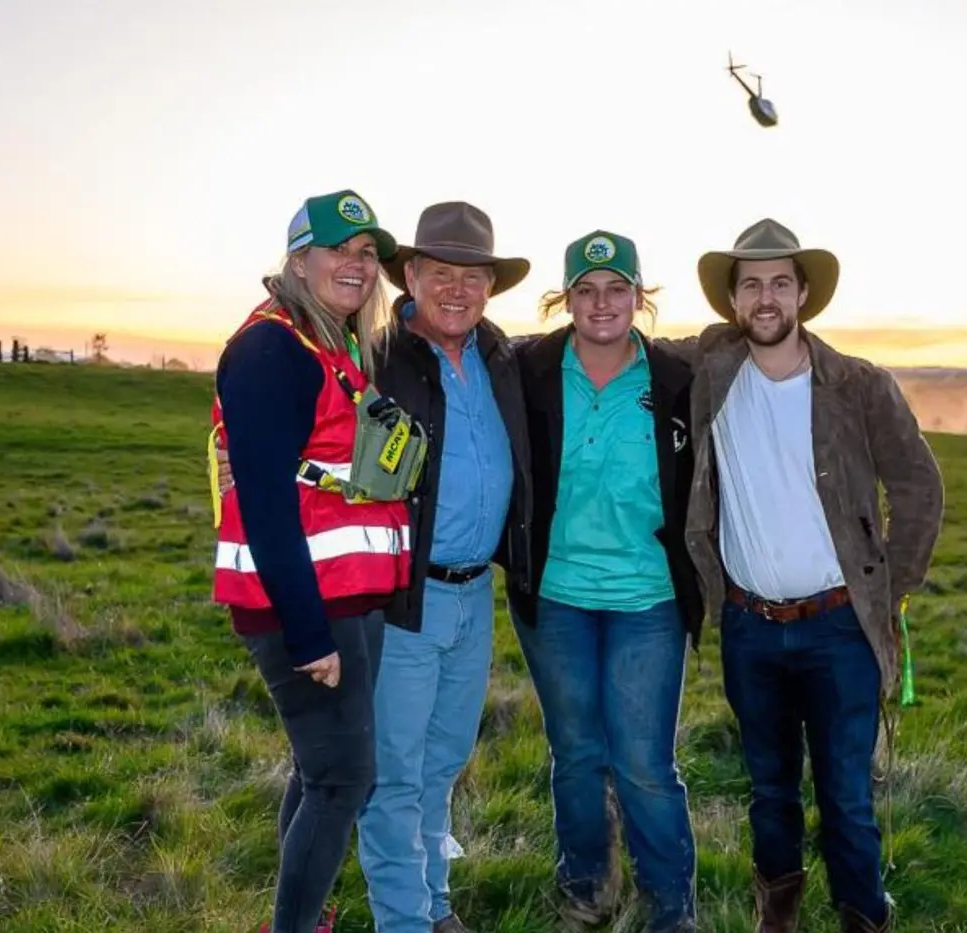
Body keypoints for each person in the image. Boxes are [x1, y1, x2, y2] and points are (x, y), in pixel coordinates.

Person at [681, 219, 945, 933]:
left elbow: (920, 486)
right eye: (751, 285)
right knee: (768, 787)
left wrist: (888, 590)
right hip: (749, 626)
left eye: (779, 283)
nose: (766, 298)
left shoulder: (857, 385)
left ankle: (862, 913)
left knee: (846, 793)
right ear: (733, 301)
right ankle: (780, 911)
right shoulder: (711, 374)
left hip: (839, 627)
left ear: (802, 294)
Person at [209, 189, 414, 933]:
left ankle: (307, 914)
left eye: (368, 254)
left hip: (348, 594)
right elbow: (264, 500)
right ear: (299, 259)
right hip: (306, 603)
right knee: (344, 778)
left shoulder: (333, 342)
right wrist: (307, 632)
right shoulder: (271, 348)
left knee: (318, 769)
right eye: (340, 250)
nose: (357, 265)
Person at [510, 231, 700, 932]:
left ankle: (669, 905)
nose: (601, 304)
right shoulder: (529, 366)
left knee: (645, 761)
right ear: (564, 299)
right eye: (584, 290)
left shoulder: (677, 377)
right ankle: (587, 886)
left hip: (647, 598)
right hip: (555, 595)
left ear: (639, 297)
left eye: (616, 288)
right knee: (578, 753)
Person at [355, 201, 535, 933]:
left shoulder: (500, 357)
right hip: (402, 597)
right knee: (395, 773)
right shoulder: (378, 354)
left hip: (473, 598)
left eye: (472, 274)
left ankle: (433, 905)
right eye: (440, 273)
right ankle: (402, 921)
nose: (456, 288)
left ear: (490, 284)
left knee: (443, 762)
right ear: (412, 276)